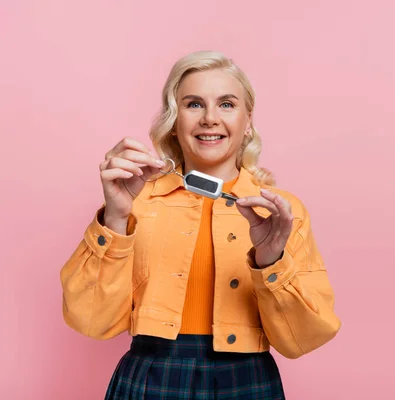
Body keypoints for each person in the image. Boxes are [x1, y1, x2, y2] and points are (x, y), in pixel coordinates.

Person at [59, 50, 341, 399]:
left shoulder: (281, 212)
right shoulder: (135, 200)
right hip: (151, 378)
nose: (210, 118)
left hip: (246, 380)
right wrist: (115, 218)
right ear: (174, 122)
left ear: (248, 119)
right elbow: (91, 321)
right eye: (193, 104)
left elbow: (305, 337)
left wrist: (271, 261)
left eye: (226, 104)